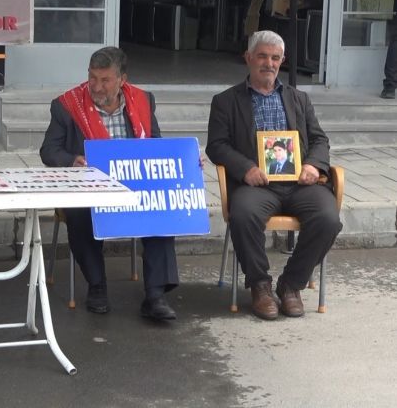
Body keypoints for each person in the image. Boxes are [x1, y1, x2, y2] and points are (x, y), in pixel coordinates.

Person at [206, 30, 343, 320]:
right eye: (262, 56)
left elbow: (319, 139)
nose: (268, 63)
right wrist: (246, 168)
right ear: (248, 58)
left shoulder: (299, 98)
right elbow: (216, 145)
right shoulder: (225, 101)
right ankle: (260, 285)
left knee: (328, 219)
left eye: (275, 58)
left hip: (300, 184)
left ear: (282, 61)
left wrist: (313, 165)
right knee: (243, 215)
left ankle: (291, 285)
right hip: (257, 185)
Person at [40, 46, 179, 322]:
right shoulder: (67, 106)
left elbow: (156, 145)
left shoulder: (143, 101)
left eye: (105, 80)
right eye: (92, 77)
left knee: (161, 208)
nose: (96, 86)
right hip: (89, 187)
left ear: (122, 80)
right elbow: (48, 151)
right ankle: (97, 286)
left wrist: (183, 160)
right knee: (79, 213)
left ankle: (155, 295)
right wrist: (72, 160)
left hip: (134, 186)